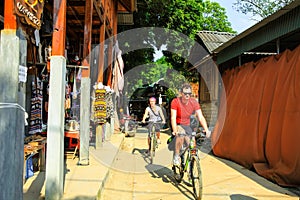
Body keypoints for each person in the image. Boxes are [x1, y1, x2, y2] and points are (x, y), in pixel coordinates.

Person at [170, 83, 211, 166]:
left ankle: (192, 162)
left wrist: (206, 129)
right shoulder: (175, 102)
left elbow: (201, 117)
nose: (187, 95)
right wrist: (175, 130)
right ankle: (176, 156)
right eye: (185, 93)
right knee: (181, 135)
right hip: (178, 124)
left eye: (189, 93)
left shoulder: (194, 102)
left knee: (191, 145)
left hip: (188, 125)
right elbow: (173, 117)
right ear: (181, 93)